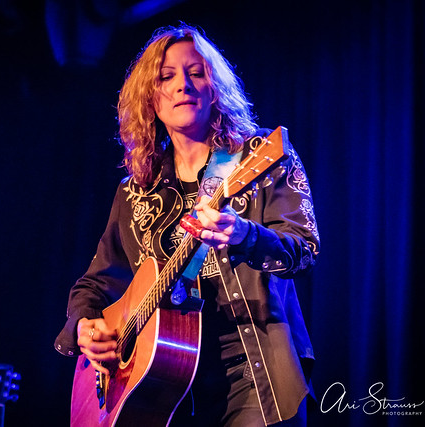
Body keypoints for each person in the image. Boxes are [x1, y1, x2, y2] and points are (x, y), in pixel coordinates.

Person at [54, 23, 319, 426]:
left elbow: (304, 250)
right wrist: (84, 327)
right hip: (160, 390)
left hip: (255, 377)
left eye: (197, 73)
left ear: (215, 89)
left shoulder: (257, 156)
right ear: (150, 97)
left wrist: (245, 235)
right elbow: (95, 284)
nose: (183, 85)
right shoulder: (134, 190)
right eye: (166, 77)